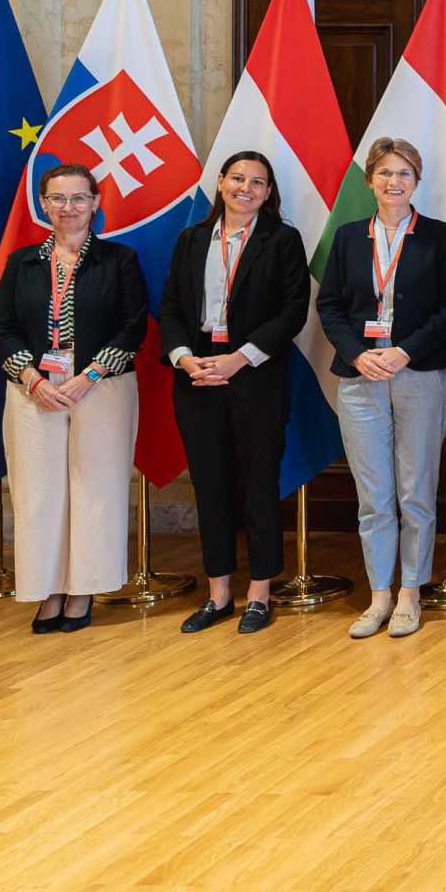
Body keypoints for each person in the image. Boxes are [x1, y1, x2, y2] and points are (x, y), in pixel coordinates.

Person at [315, 138, 446, 641]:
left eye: (403, 174)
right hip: (360, 378)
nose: (393, 182)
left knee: (415, 491)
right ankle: (380, 594)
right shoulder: (349, 236)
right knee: (374, 496)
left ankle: (410, 594)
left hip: (419, 375)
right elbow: (330, 306)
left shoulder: (438, 236)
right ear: (369, 181)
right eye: (383, 173)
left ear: (417, 181)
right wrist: (359, 352)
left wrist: (406, 352)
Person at [0, 162, 146, 632]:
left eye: (79, 198)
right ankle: (47, 590)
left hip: (102, 387)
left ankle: (83, 591)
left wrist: (90, 373)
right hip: (33, 389)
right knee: (39, 492)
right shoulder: (21, 263)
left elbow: (134, 325)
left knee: (96, 488)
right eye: (58, 199)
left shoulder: (120, 260)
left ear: (96, 203)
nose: (68, 208)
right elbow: (3, 329)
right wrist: (33, 379)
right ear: (43, 205)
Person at [161, 150, 310, 635]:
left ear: (269, 193)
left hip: (255, 375)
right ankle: (219, 594)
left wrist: (239, 358)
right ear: (220, 182)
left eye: (258, 182)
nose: (246, 188)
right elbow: (170, 310)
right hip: (197, 372)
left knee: (259, 485)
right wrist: (185, 359)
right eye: (237, 178)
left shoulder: (282, 240)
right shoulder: (191, 239)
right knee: (211, 487)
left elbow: (292, 312)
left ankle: (260, 593)